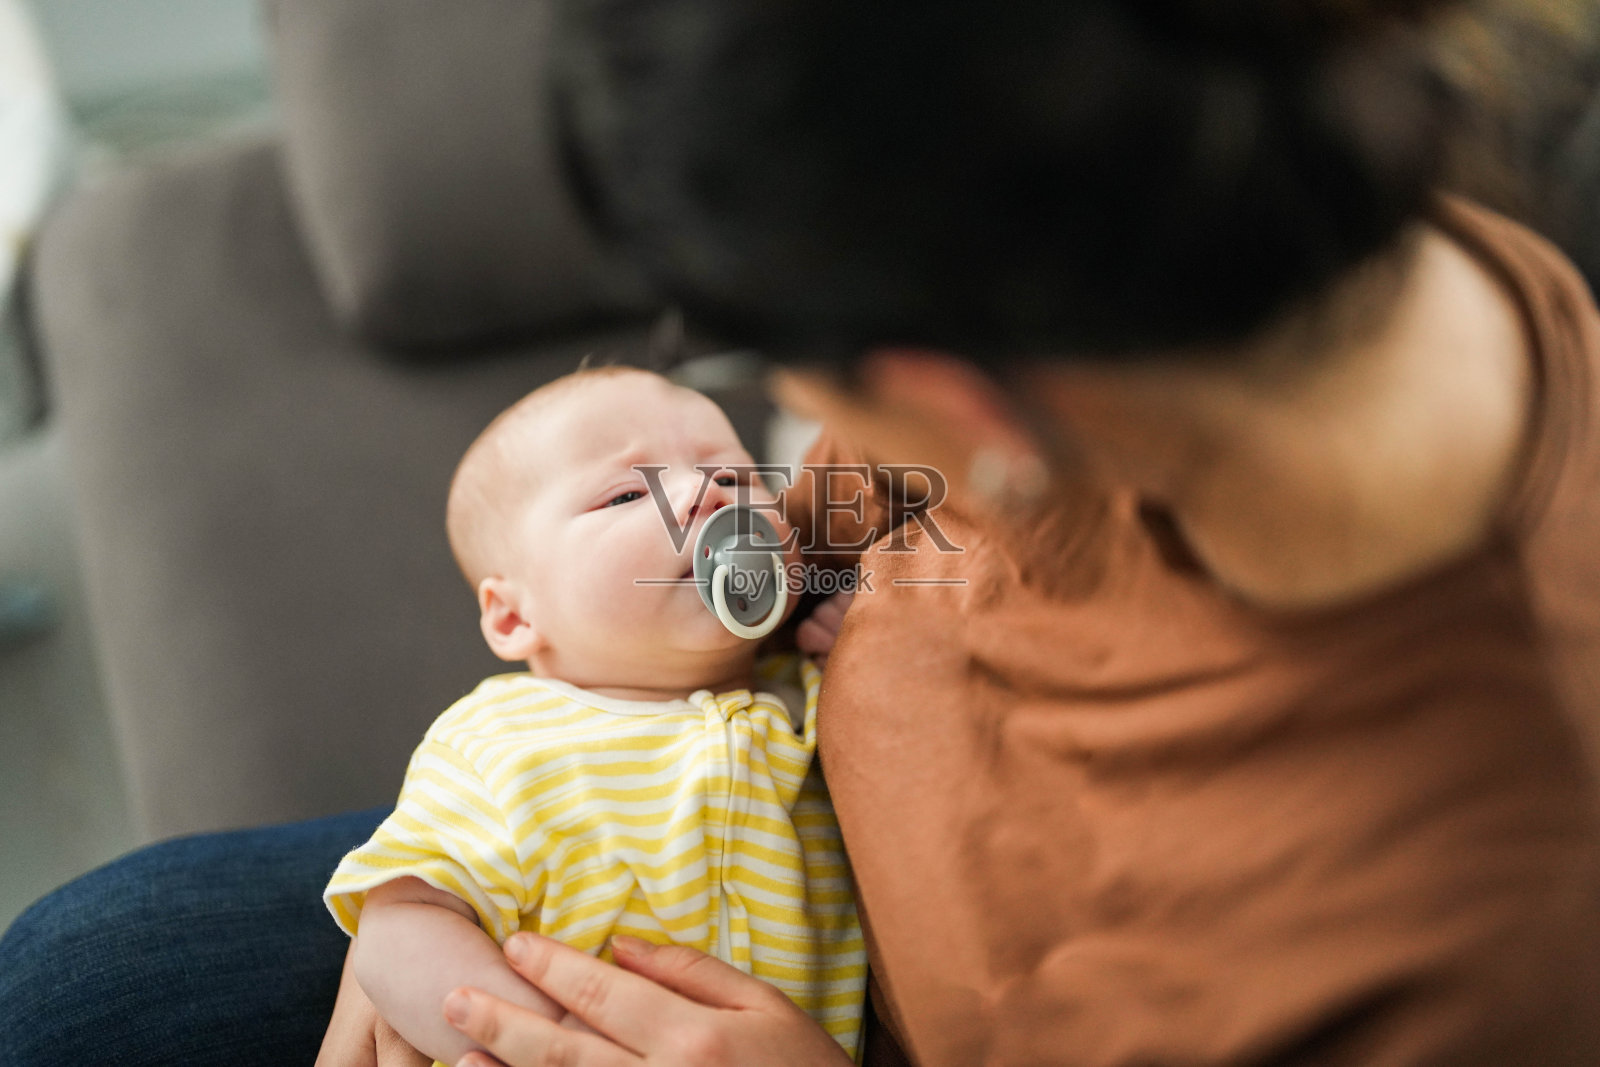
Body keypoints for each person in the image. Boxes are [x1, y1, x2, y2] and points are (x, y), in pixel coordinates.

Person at [4, 0, 1600, 1065]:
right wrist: (424, 919)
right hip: (651, 824)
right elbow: (818, 526)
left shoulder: (1453, 945)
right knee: (84, 982)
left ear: (948, 382)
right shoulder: (1190, 202)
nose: (768, 451)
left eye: (773, 379)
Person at [319, 365, 865, 1065]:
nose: (702, 496)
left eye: (734, 479)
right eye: (628, 493)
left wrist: (872, 636)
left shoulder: (814, 695)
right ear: (515, 616)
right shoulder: (497, 740)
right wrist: (548, 1038)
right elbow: (397, 929)